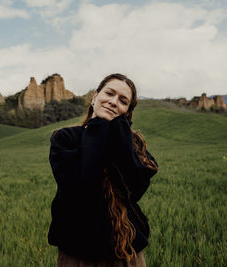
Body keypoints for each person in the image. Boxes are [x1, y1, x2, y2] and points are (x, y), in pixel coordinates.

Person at [48, 73, 158, 267]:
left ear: (127, 112)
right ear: (94, 97)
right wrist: (98, 127)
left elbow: (134, 189)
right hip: (78, 254)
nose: (114, 102)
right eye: (109, 93)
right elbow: (83, 187)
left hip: (126, 252)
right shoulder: (65, 139)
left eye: (123, 101)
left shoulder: (134, 145)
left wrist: (120, 132)